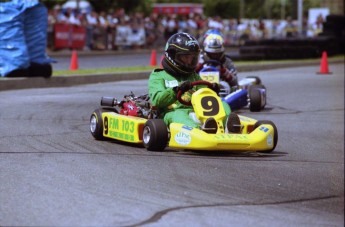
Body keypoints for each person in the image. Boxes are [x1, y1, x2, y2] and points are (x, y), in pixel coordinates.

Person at [148, 32, 241, 133]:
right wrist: (176, 90)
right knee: (179, 115)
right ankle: (200, 131)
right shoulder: (158, 75)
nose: (189, 62)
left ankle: (228, 126)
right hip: (172, 113)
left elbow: (203, 93)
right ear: (172, 56)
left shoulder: (193, 76)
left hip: (198, 111)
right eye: (185, 57)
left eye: (192, 58)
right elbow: (157, 100)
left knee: (223, 104)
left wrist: (212, 91)